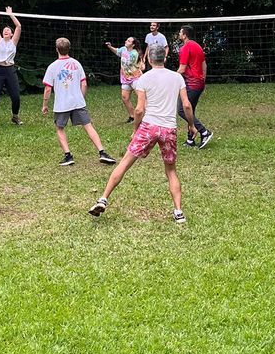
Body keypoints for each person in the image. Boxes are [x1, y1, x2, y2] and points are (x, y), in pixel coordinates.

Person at [89, 44, 196, 224]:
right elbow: (186, 105)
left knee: (124, 163)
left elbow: (139, 109)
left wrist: (135, 130)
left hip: (149, 126)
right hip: (168, 128)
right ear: (165, 58)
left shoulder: (144, 79)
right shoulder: (177, 77)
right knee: (171, 171)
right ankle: (178, 211)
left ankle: (103, 199)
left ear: (148, 59)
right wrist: (191, 125)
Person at [42, 37, 117, 167]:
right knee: (88, 125)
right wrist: (80, 97)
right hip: (77, 102)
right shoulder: (77, 63)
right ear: (68, 48)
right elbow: (84, 83)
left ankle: (68, 156)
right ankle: (102, 152)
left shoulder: (52, 67)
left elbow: (48, 88)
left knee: (60, 128)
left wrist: (44, 105)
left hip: (62, 104)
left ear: (56, 49)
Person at [176, 25, 213, 149]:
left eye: (180, 32)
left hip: (191, 83)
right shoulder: (197, 46)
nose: (179, 34)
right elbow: (205, 66)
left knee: (182, 109)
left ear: (184, 35)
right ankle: (190, 140)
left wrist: (168, 79)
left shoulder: (185, 48)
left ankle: (204, 132)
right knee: (190, 111)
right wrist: (203, 81)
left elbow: (182, 69)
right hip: (199, 83)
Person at [0, 0, 23, 128]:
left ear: (12, 34)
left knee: (16, 97)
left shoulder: (13, 42)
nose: (6, 31)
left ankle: (15, 116)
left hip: (10, 71)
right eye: (4, 30)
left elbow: (18, 26)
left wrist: (10, 14)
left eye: (8, 30)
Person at [105, 36, 143, 121]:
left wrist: (141, 64)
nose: (126, 41)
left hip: (135, 78)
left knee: (141, 97)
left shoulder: (134, 53)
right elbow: (118, 51)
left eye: (129, 41)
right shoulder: (123, 49)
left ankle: (147, 117)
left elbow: (128, 63)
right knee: (125, 98)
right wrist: (110, 47)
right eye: (127, 40)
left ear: (133, 45)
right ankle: (132, 116)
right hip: (125, 78)